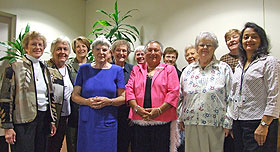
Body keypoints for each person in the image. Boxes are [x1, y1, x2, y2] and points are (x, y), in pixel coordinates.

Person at [0, 31, 57, 152]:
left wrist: (52, 120)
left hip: (43, 119)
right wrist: (8, 126)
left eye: (40, 45)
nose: (38, 47)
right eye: (34, 44)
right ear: (26, 47)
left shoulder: (45, 68)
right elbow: (5, 98)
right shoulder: (14, 67)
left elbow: (50, 96)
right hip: (23, 121)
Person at [229, 22, 280, 152]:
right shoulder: (240, 65)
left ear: (261, 40)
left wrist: (264, 124)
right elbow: (234, 94)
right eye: (246, 37)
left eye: (254, 37)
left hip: (259, 122)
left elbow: (275, 95)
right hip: (239, 122)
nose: (249, 40)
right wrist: (233, 123)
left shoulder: (269, 62)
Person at [178, 32, 233, 152]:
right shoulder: (188, 70)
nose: (205, 48)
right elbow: (180, 96)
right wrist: (180, 118)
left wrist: (228, 122)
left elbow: (231, 97)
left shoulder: (224, 69)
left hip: (215, 123)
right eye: (201, 45)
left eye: (209, 45)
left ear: (215, 48)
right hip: (191, 122)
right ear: (197, 47)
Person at [72, 35, 125, 152]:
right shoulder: (84, 69)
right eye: (97, 49)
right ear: (92, 52)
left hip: (108, 121)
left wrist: (109, 101)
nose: (101, 52)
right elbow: (74, 96)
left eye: (104, 50)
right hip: (87, 121)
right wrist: (87, 102)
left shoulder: (117, 70)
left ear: (109, 52)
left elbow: (123, 97)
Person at [126, 40, 180, 152]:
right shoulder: (136, 69)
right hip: (139, 120)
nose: (153, 53)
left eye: (156, 50)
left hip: (162, 120)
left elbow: (173, 92)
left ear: (161, 54)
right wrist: (137, 108)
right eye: (149, 50)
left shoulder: (169, 69)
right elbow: (129, 90)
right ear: (145, 53)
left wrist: (159, 110)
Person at [46, 37, 74, 152]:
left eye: (65, 49)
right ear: (52, 51)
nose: (62, 52)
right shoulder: (46, 68)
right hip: (50, 117)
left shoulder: (69, 68)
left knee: (56, 146)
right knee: (46, 146)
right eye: (59, 49)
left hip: (64, 116)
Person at [66, 36, 91, 152]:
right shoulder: (68, 65)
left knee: (87, 142)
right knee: (72, 142)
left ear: (88, 48)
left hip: (90, 109)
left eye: (83, 46)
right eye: (78, 47)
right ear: (74, 49)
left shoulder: (94, 65)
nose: (81, 49)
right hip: (72, 110)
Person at [111, 40, 134, 152]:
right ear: (112, 52)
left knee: (123, 145)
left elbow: (137, 92)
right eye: (118, 50)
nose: (121, 53)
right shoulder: (106, 68)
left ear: (128, 53)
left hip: (126, 114)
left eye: (124, 51)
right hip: (109, 112)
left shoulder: (133, 70)